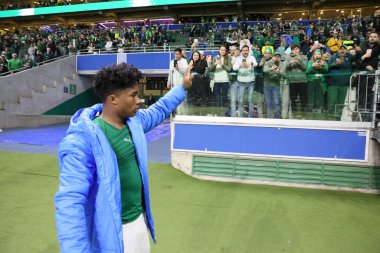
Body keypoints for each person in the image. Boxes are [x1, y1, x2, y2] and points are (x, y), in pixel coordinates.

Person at [55, 62, 194, 253]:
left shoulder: (134, 122)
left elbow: (160, 109)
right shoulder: (81, 141)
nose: (140, 100)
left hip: (139, 221)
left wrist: (182, 87)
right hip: (114, 232)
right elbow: (70, 200)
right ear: (113, 99)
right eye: (134, 95)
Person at [327, 45, 352, 117]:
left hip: (344, 85)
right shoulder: (333, 57)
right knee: (332, 102)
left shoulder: (349, 57)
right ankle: (330, 119)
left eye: (344, 49)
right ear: (337, 50)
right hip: (333, 84)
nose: (342, 50)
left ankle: (338, 118)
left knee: (341, 103)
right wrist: (335, 63)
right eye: (341, 49)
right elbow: (327, 67)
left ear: (346, 51)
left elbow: (357, 58)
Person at [233, 45, 258, 117]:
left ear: (248, 51)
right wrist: (240, 65)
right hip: (241, 82)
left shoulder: (252, 57)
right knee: (241, 101)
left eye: (246, 50)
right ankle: (240, 117)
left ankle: (250, 117)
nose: (245, 52)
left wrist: (251, 63)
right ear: (241, 51)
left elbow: (256, 64)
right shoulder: (238, 59)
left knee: (250, 100)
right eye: (244, 50)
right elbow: (234, 68)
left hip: (250, 82)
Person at [284, 44, 308, 113]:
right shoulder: (288, 58)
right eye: (294, 49)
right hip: (292, 81)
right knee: (293, 100)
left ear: (299, 50)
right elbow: (285, 68)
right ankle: (294, 115)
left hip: (302, 81)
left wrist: (299, 61)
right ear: (291, 50)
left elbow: (304, 68)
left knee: (303, 100)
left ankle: (304, 115)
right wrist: (290, 63)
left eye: (297, 49)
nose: (295, 51)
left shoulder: (304, 57)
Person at [167, 48, 189, 115]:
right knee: (177, 101)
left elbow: (186, 72)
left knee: (183, 101)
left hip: (182, 84)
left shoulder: (184, 61)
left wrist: (178, 68)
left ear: (181, 54)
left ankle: (185, 116)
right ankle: (179, 115)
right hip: (175, 84)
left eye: (178, 54)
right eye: (175, 54)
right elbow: (170, 73)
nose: (176, 55)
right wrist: (169, 82)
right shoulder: (172, 62)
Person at [263, 51, 284, 118]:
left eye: (278, 56)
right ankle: (269, 117)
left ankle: (277, 117)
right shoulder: (268, 62)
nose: (277, 58)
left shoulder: (281, 64)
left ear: (280, 58)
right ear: (272, 57)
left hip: (276, 85)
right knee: (268, 102)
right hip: (267, 85)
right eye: (275, 56)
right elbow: (264, 70)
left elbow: (284, 74)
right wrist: (271, 68)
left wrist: (279, 72)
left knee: (276, 102)